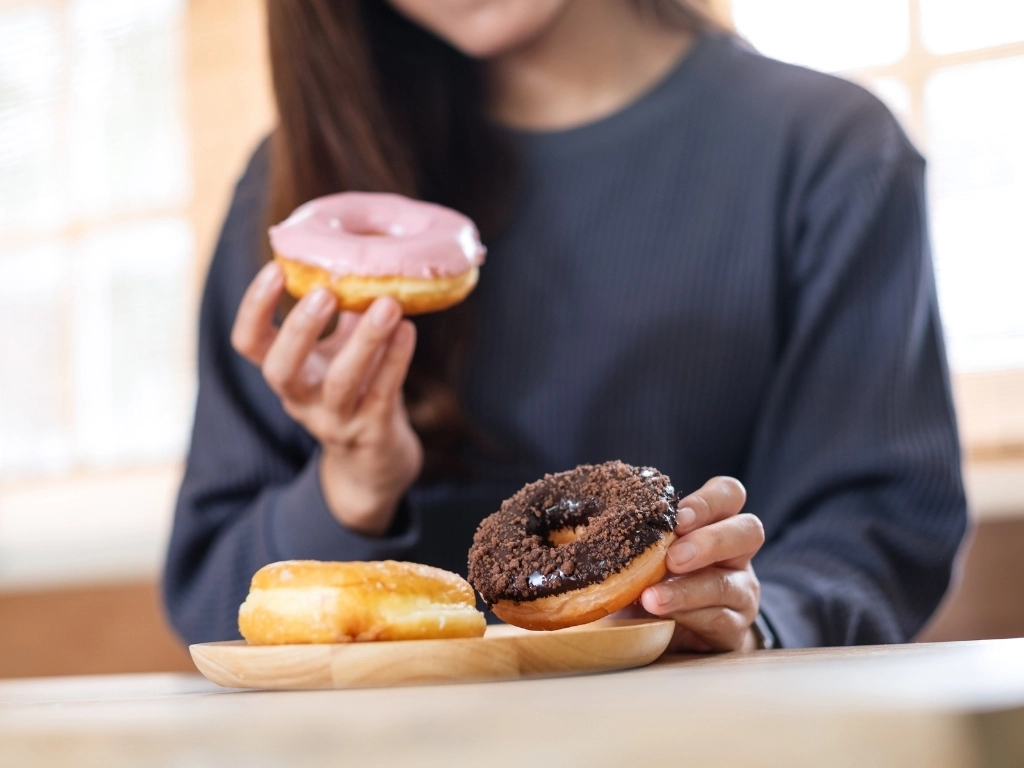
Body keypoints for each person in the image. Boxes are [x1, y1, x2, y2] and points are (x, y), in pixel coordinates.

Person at [164, 0, 967, 651]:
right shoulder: (302, 190)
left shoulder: (827, 152)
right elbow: (210, 605)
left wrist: (749, 618)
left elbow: (881, 530)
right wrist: (352, 484)